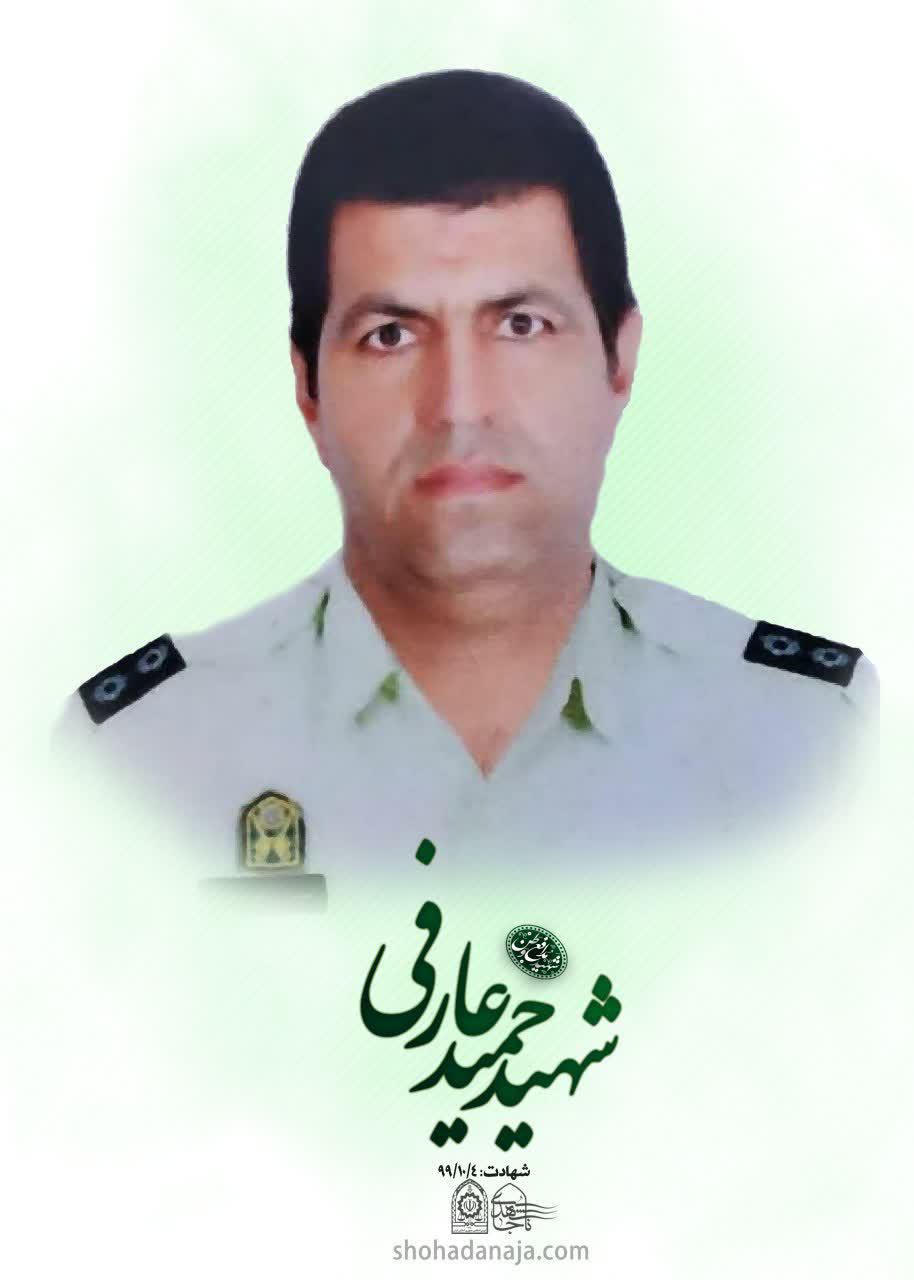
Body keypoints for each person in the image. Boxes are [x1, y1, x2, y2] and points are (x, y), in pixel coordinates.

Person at [50, 69, 878, 896]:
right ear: (308, 386)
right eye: (390, 335)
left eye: (520, 324)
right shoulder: (139, 759)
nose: (459, 406)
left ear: (619, 358)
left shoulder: (809, 738)